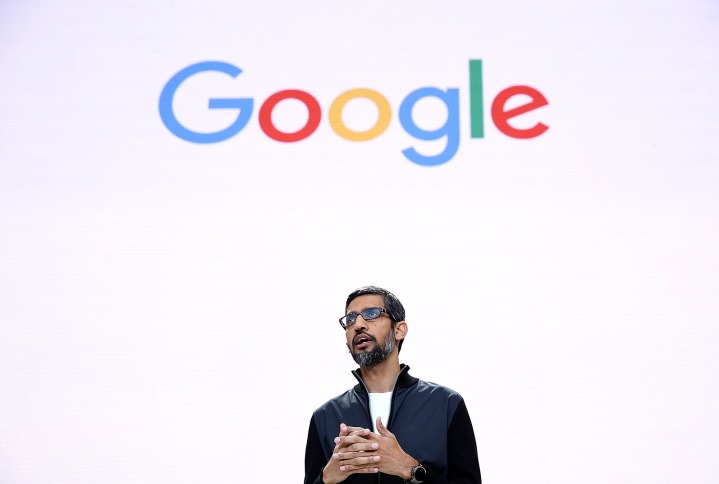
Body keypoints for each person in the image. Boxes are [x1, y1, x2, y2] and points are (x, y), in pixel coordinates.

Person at [304, 286, 481, 484]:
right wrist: (326, 478)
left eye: (371, 314)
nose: (358, 324)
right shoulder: (325, 416)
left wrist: (408, 467)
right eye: (351, 319)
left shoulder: (445, 404)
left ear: (399, 330)